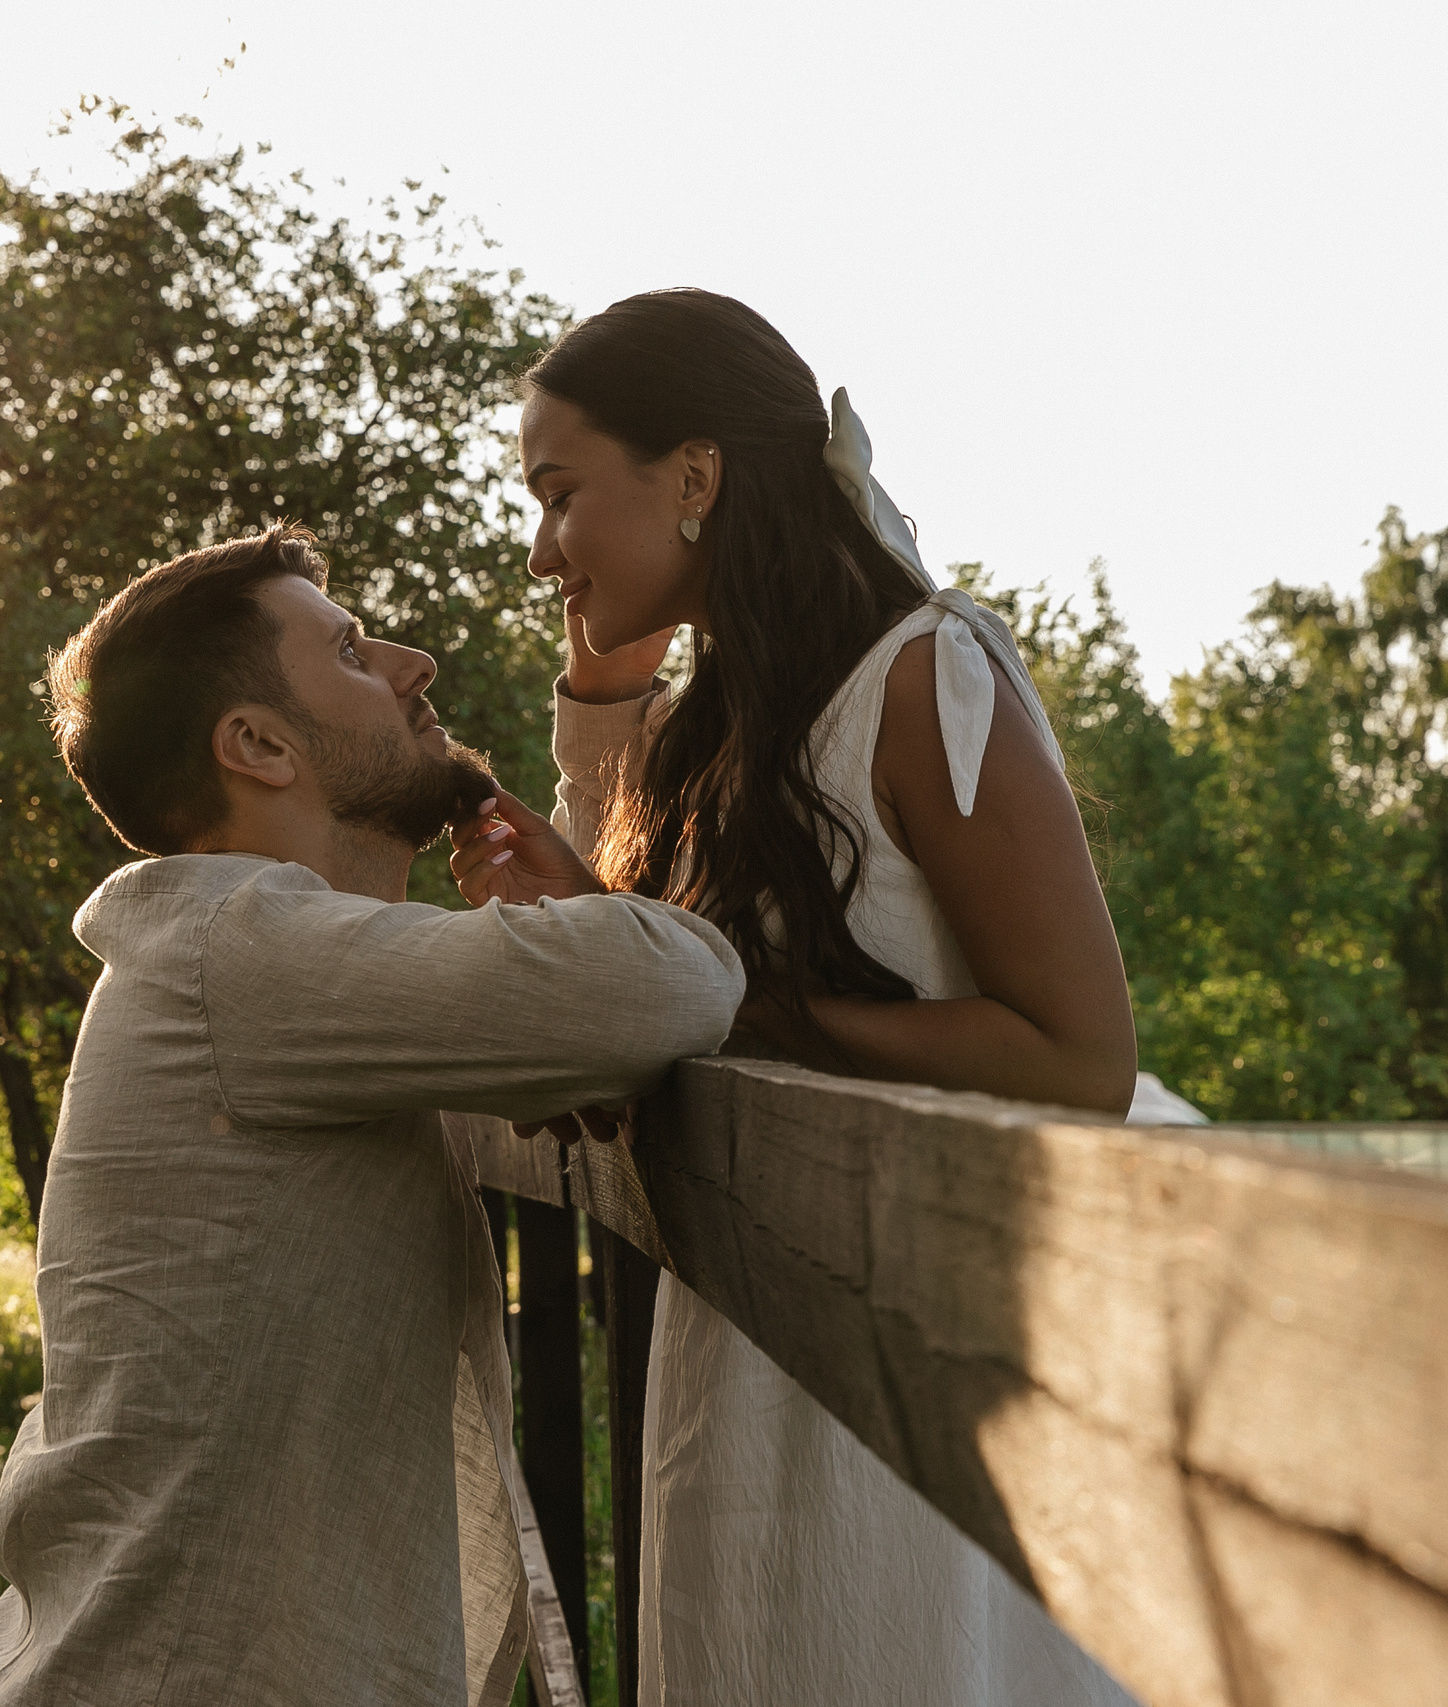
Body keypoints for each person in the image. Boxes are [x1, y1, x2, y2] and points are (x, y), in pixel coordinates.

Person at [450, 288, 1158, 1704]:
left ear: (696, 476)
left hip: (921, 1357)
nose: (540, 552)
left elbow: (1082, 1054)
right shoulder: (723, 723)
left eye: (559, 494)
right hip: (758, 1339)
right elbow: (663, 957)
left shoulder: (924, 671)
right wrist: (598, 769)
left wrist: (747, 1012)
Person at [0, 525, 746, 1707]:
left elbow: (558, 1039)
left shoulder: (272, 966)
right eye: (354, 652)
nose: (414, 661)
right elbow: (673, 984)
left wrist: (605, 710)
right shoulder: (242, 949)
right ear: (258, 745)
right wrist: (577, 904)